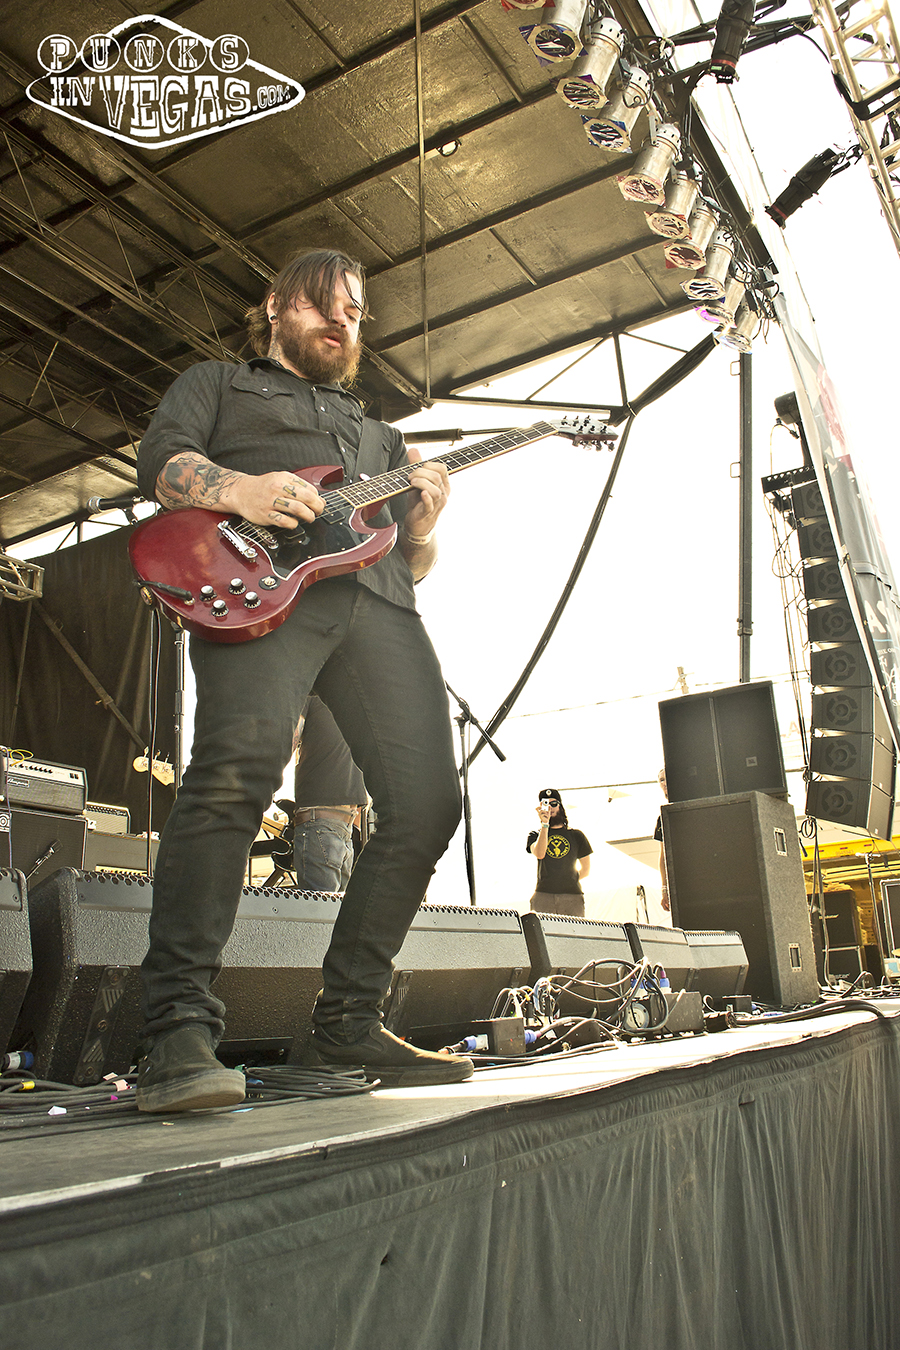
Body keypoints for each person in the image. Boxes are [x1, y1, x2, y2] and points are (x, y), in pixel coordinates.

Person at [133, 247, 472, 1111]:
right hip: (261, 593)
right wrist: (240, 490)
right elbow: (164, 463)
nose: (341, 323)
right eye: (326, 304)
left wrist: (422, 527)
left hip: (382, 608)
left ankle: (347, 1021)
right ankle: (176, 1032)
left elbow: (410, 561)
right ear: (278, 305)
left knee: (428, 803)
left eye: (355, 314)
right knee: (235, 776)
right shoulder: (218, 384)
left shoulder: (381, 438)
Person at [292, 693, 368, 892]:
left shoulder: (317, 694)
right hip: (329, 824)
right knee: (328, 910)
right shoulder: (315, 693)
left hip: (335, 826)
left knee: (326, 909)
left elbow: (290, 737)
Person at [525, 787, 593, 917]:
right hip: (543, 895)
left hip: (572, 896)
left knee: (574, 930)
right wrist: (545, 824)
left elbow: (586, 869)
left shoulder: (576, 835)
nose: (550, 808)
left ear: (560, 806)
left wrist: (568, 880)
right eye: (546, 804)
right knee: (541, 930)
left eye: (554, 804)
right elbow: (540, 854)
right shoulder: (535, 835)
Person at [654, 769, 671, 913]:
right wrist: (664, 888)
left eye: (666, 778)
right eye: (661, 780)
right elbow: (663, 855)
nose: (664, 783)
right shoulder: (662, 818)